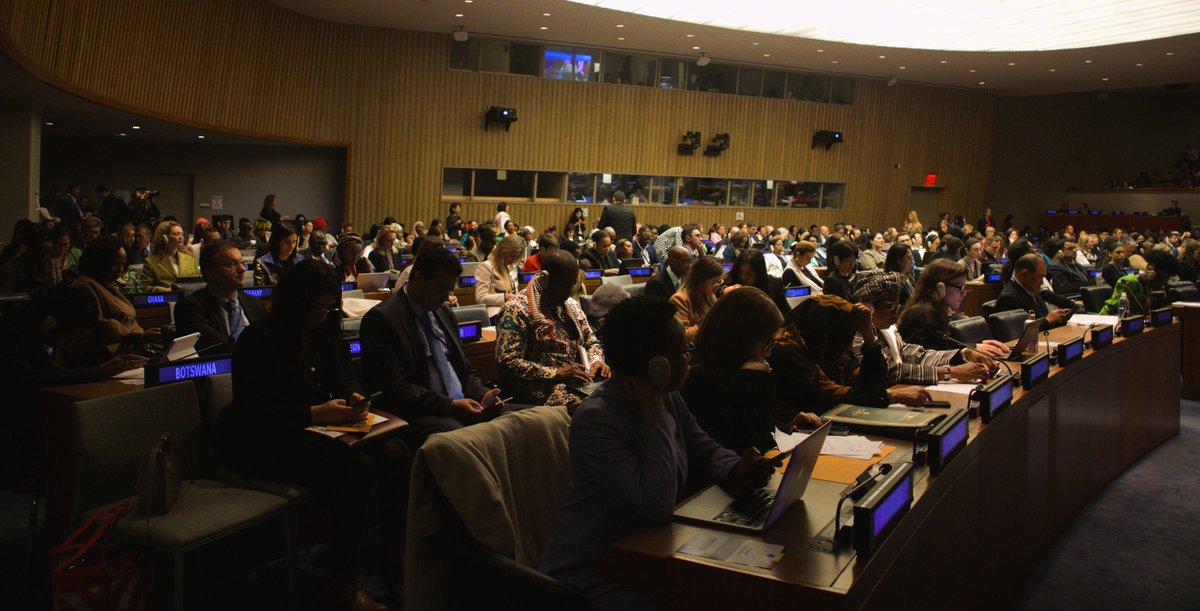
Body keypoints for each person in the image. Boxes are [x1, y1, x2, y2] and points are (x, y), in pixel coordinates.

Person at [537, 295, 778, 610]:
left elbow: (701, 446)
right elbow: (657, 503)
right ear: (657, 365)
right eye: (682, 352)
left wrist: (735, 468)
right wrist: (654, 413)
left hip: (650, 552)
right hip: (597, 572)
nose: (689, 359)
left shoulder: (669, 395)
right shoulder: (597, 420)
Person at [221, 260, 405, 610]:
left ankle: (394, 551)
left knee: (395, 453)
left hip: (321, 432)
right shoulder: (259, 339)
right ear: (295, 302)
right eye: (315, 307)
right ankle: (344, 581)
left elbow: (344, 376)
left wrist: (353, 395)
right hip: (267, 441)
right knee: (356, 470)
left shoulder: (325, 331)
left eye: (328, 307)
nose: (322, 315)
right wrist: (313, 413)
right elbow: (253, 411)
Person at [360, 244, 503, 448]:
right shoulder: (383, 320)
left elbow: (465, 369)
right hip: (422, 415)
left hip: (463, 404)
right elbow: (397, 388)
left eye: (449, 290)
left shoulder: (443, 312)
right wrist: (451, 406)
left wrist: (482, 394)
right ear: (418, 278)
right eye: (440, 289)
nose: (446, 297)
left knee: (523, 423)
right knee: (469, 441)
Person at [682, 287, 819, 455]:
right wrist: (755, 380)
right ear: (741, 337)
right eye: (766, 342)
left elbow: (761, 427)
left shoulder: (730, 371)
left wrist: (788, 427)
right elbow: (750, 446)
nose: (768, 353)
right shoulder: (700, 382)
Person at [770, 295, 927, 424]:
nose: (846, 344)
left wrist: (870, 338)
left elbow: (873, 384)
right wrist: (893, 396)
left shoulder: (826, 348)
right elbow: (833, 398)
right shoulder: (786, 349)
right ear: (826, 330)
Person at [496, 250, 608, 410]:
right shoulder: (516, 310)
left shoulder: (570, 305)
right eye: (565, 285)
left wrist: (596, 360)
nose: (570, 290)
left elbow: (591, 341)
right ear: (545, 279)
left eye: (572, 284)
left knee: (622, 393)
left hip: (578, 381)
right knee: (596, 407)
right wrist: (555, 372)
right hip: (541, 388)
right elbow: (507, 362)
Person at [850, 270, 993, 386]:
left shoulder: (886, 329)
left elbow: (915, 355)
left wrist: (963, 353)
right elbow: (888, 371)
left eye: (897, 305)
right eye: (888, 306)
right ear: (868, 308)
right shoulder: (856, 334)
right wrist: (949, 372)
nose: (895, 313)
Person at [897, 259, 1010, 357]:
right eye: (960, 287)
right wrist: (970, 350)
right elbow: (929, 357)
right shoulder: (924, 315)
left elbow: (942, 346)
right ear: (940, 288)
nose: (964, 294)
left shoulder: (932, 310)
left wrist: (976, 346)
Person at [66, 236, 151, 364]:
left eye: (123, 265)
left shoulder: (108, 285)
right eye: (116, 264)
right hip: (101, 359)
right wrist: (137, 336)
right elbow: (102, 328)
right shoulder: (84, 286)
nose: (121, 270)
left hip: (126, 353)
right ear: (100, 262)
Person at [174, 241, 267, 353]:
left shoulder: (254, 303)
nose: (242, 269)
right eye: (231, 265)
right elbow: (216, 346)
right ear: (210, 273)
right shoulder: (189, 307)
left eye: (242, 263)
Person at [994, 254, 1071, 329]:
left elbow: (1042, 316)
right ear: (1024, 274)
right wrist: (1048, 320)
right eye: (1040, 277)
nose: (1042, 282)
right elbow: (1021, 331)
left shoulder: (1031, 288)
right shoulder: (1008, 298)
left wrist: (1058, 317)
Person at [1100, 250, 1180, 316]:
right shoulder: (1129, 282)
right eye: (1164, 276)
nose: (1165, 281)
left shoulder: (1159, 288)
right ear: (1153, 271)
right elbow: (1112, 309)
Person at [670, 256, 723, 341]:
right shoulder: (679, 299)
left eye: (719, 282)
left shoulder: (709, 295)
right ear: (700, 280)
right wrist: (707, 324)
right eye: (714, 282)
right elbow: (682, 335)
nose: (717, 287)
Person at [725, 249, 790, 316]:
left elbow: (785, 313)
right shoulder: (729, 284)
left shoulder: (774, 284)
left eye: (749, 274)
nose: (743, 277)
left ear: (759, 273)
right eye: (740, 272)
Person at [140, 221, 200, 291]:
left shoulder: (190, 260)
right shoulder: (151, 262)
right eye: (176, 234)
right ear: (164, 237)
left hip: (187, 299)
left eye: (182, 234)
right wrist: (166, 291)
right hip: (165, 300)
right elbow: (145, 287)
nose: (181, 237)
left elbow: (198, 283)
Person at [475, 234, 523, 323]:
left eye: (517, 257)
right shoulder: (486, 266)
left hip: (511, 312)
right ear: (502, 250)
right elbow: (480, 298)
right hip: (494, 315)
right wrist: (505, 297)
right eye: (512, 255)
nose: (514, 259)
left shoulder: (509, 267)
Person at [253, 221, 304, 285]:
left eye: (294, 242)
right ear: (277, 242)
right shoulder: (262, 263)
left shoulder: (301, 260)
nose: (291, 246)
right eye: (287, 242)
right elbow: (260, 291)